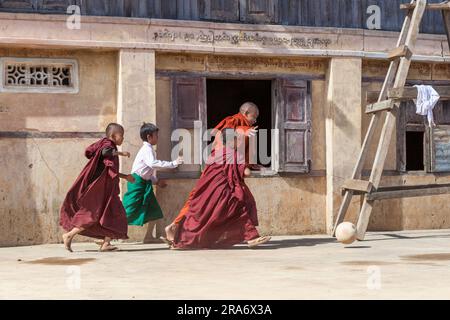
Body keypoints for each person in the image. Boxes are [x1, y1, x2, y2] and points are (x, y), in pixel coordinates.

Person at [164, 102, 260, 243]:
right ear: (245, 114)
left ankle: (175, 227)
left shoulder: (245, 127)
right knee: (203, 201)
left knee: (204, 201)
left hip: (230, 169)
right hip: (221, 170)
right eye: (254, 117)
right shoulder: (233, 121)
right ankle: (178, 228)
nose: (255, 121)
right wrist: (242, 130)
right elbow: (226, 135)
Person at [172, 129, 270, 249]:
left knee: (204, 217)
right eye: (236, 139)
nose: (237, 142)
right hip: (225, 191)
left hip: (209, 191)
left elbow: (207, 174)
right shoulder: (233, 154)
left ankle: (251, 237)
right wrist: (249, 166)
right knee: (238, 209)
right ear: (231, 141)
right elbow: (246, 173)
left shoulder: (214, 154)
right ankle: (251, 237)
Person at [60, 123, 135, 252]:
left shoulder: (108, 145)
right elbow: (106, 152)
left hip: (108, 190)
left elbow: (108, 171)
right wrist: (120, 153)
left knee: (111, 215)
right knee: (93, 215)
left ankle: (106, 243)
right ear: (113, 135)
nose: (123, 138)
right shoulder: (108, 144)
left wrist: (125, 177)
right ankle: (69, 235)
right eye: (121, 135)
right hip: (101, 190)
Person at [123, 122, 183, 243]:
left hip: (144, 184)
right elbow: (152, 164)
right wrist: (173, 164)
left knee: (153, 210)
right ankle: (107, 235)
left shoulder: (149, 149)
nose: (158, 138)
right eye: (156, 135)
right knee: (128, 210)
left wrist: (156, 181)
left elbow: (148, 171)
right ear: (149, 137)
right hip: (137, 184)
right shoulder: (147, 149)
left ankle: (149, 236)